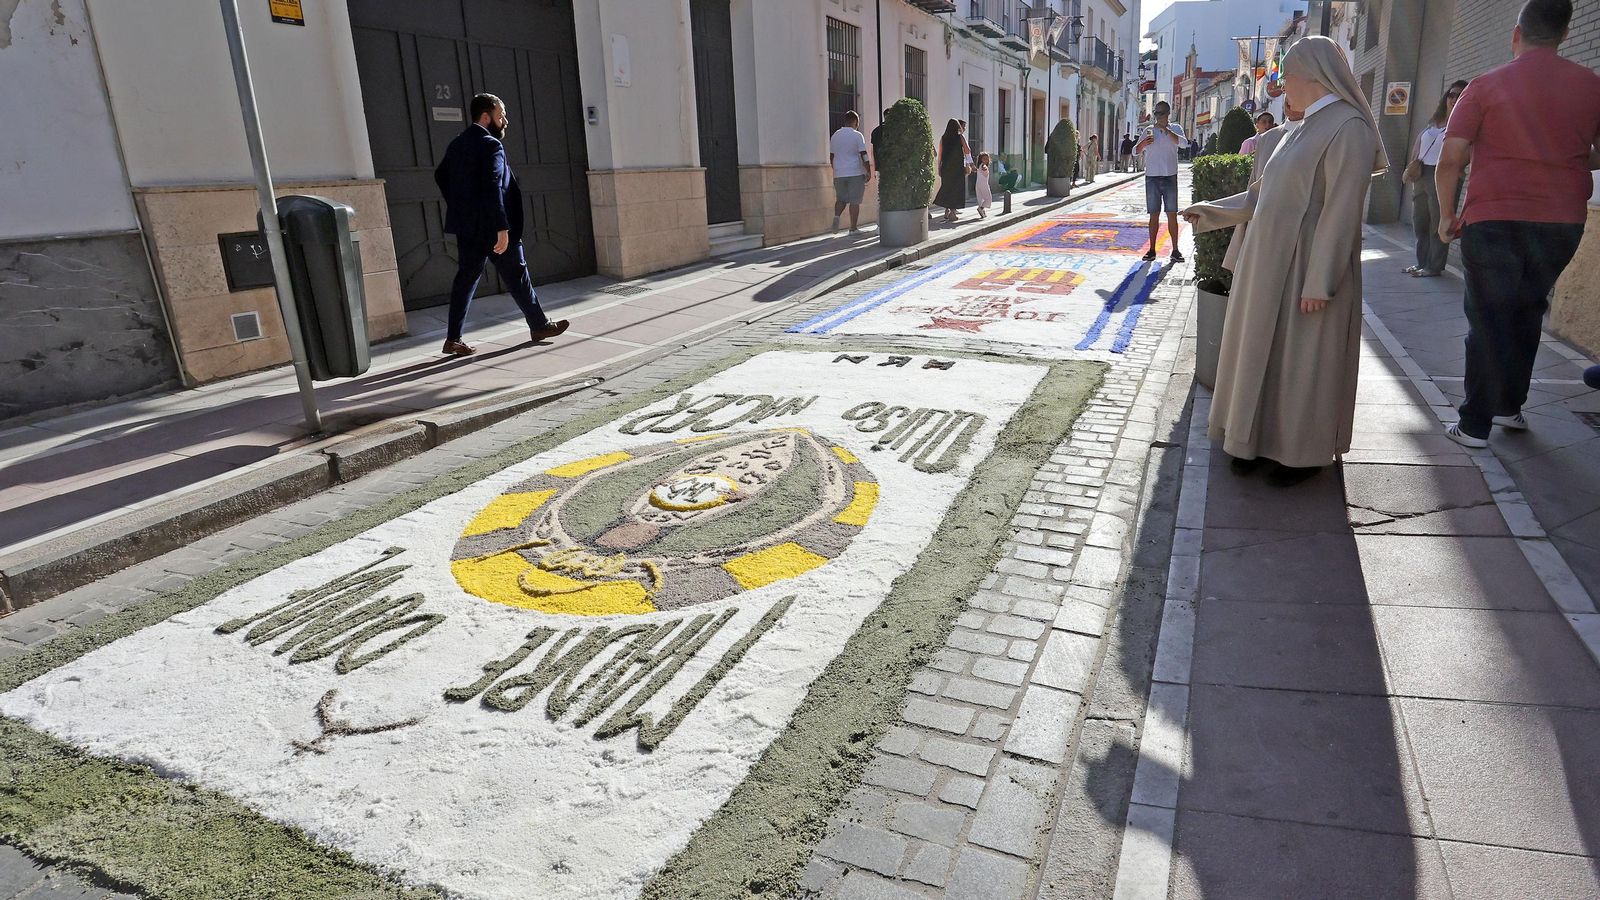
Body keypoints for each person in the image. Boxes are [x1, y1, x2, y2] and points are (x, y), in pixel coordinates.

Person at [1180, 36, 1384, 486]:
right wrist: (1210, 212)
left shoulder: (1348, 127)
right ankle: (1251, 441)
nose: (1282, 85)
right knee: (1262, 355)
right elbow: (1263, 196)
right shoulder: (1301, 127)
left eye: (1286, 75)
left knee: (1302, 362)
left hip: (1306, 263)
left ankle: (1300, 456)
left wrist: (1321, 280)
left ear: (1313, 75)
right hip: (1268, 262)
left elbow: (1341, 210)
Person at [1437, 0, 1600, 448]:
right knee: (1528, 311)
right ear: (1565, 34)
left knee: (1489, 317)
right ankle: (1509, 406)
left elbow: (1450, 159)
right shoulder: (1592, 86)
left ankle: (1474, 424)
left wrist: (1446, 215)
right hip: (1561, 221)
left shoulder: (1484, 86)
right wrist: (1566, 156)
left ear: (1516, 34)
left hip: (1494, 218)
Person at [434, 93, 569, 356]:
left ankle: (453, 339)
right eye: (501, 115)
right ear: (486, 117)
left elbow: (441, 175)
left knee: (466, 279)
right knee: (517, 273)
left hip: (469, 227)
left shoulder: (458, 143)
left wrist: (463, 206)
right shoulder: (491, 144)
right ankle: (539, 326)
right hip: (493, 227)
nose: (505, 121)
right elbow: (492, 186)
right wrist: (502, 228)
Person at [1222, 96, 1299, 273]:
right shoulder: (1256, 142)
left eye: (1270, 121)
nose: (1267, 124)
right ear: (1257, 124)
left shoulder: (1285, 137)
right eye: (1263, 121)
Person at [1402, 82, 1465, 278]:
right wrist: (1411, 166)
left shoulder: (1463, 123)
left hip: (1443, 174)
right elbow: (1419, 144)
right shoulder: (1434, 122)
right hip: (1422, 173)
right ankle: (1421, 262)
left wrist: (1456, 170)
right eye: (1451, 94)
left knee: (1438, 221)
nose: (1454, 99)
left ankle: (1434, 266)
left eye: (1460, 95)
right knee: (1420, 221)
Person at [1134, 101, 1187, 264]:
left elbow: (1184, 144)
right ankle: (1152, 249)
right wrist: (1143, 143)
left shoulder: (1176, 128)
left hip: (1170, 176)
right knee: (1154, 214)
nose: (1158, 116)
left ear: (1168, 114)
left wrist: (1166, 130)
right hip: (1152, 177)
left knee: (1172, 214)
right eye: (1156, 113)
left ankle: (1175, 250)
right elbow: (1135, 151)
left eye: (1161, 113)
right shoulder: (1149, 130)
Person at [829, 111, 873, 233]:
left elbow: (832, 156)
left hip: (839, 173)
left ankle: (836, 217)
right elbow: (863, 154)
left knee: (841, 199)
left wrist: (836, 168)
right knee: (855, 201)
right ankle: (853, 228)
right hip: (854, 172)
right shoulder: (857, 135)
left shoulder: (835, 135)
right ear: (855, 121)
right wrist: (868, 170)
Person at [934, 119, 967, 223]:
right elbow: (967, 150)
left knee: (947, 187)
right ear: (957, 126)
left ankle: (946, 210)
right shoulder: (960, 137)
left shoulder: (943, 138)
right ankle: (952, 212)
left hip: (946, 167)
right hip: (957, 167)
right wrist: (968, 162)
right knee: (956, 188)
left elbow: (940, 154)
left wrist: (939, 168)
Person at [975, 152, 994, 219]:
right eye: (984, 159)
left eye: (987, 159)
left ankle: (982, 212)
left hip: (978, 184)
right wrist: (984, 168)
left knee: (981, 199)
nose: (986, 160)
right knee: (988, 199)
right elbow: (984, 168)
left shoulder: (980, 166)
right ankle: (981, 208)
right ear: (981, 159)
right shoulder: (983, 166)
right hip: (983, 184)